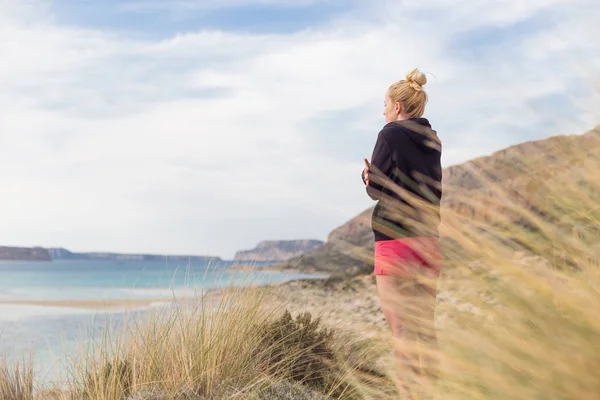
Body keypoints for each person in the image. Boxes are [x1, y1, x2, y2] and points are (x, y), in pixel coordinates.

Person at [361, 68, 443, 396]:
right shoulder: (432, 139)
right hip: (428, 242)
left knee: (402, 335)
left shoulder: (390, 133)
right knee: (425, 331)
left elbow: (377, 188)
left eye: (384, 104)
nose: (382, 111)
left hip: (395, 241)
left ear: (397, 106)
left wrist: (368, 177)